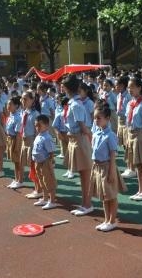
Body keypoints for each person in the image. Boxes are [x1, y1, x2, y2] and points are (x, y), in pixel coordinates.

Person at [62, 75, 94, 217]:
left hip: (80, 139)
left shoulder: (75, 104)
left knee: (85, 175)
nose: (61, 89)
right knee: (82, 174)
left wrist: (90, 139)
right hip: (76, 139)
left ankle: (87, 204)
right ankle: (85, 203)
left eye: (63, 86)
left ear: (67, 88)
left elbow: (83, 126)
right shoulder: (74, 103)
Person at [90, 102, 125, 231]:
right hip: (98, 167)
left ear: (107, 118)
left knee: (111, 195)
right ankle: (106, 219)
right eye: (95, 118)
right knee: (104, 196)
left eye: (99, 118)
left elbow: (112, 155)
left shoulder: (110, 135)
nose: (96, 120)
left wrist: (111, 172)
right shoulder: (96, 133)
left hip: (107, 167)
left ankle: (112, 220)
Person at [125, 78, 142, 200]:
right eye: (128, 87)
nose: (129, 89)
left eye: (132, 87)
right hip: (131, 134)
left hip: (140, 135)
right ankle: (140, 189)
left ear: (139, 88)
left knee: (141, 165)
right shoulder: (130, 103)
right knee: (136, 165)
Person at [32, 114, 59, 210]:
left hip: (45, 162)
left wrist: (51, 162)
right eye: (36, 125)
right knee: (41, 180)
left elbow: (51, 152)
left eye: (39, 125)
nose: (37, 127)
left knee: (49, 181)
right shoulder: (38, 136)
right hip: (38, 162)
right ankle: (44, 198)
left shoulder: (47, 137)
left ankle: (52, 201)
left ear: (47, 125)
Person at [16, 91, 39, 190]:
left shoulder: (35, 114)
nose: (23, 101)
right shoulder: (24, 112)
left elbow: (37, 132)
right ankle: (20, 181)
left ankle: (38, 189)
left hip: (32, 141)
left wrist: (36, 144)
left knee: (34, 165)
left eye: (25, 99)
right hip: (24, 140)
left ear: (32, 100)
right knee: (21, 162)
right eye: (22, 99)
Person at [4, 96, 22, 187]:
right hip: (10, 139)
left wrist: (17, 146)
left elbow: (18, 134)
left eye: (10, 104)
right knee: (15, 161)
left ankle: (20, 180)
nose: (8, 106)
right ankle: (16, 179)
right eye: (8, 104)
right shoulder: (11, 115)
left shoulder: (18, 117)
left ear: (16, 106)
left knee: (18, 161)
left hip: (15, 139)